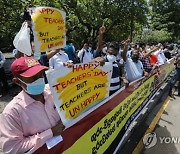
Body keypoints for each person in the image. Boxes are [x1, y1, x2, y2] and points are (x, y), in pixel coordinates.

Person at [0, 57, 64, 154]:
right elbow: (12, 149)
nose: (39, 80)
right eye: (33, 78)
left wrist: (69, 72)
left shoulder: (53, 90)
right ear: (17, 81)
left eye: (41, 75)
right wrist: (50, 133)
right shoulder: (12, 113)